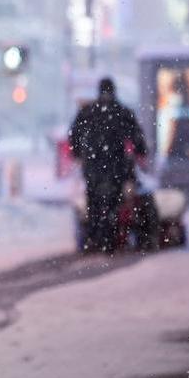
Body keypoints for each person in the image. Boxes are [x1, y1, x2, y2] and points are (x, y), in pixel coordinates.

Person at [68, 77, 148, 253]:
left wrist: (78, 154)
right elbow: (137, 137)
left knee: (94, 200)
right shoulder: (123, 112)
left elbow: (73, 135)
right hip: (116, 166)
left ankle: (95, 237)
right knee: (115, 200)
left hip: (92, 167)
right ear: (114, 90)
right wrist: (141, 152)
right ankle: (112, 236)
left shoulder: (87, 111)